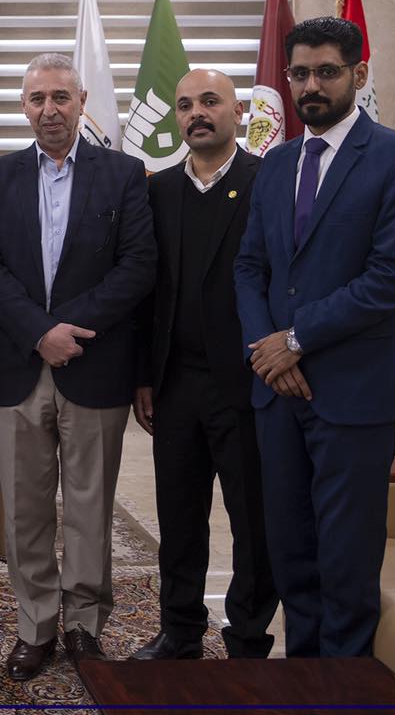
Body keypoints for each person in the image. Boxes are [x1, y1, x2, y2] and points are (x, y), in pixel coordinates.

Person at [234, 17, 395, 658]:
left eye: (327, 72)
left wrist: (294, 340)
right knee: (291, 551)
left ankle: (346, 688)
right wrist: (267, 350)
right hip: (278, 393)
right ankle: (303, 678)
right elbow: (250, 268)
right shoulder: (276, 164)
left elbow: (393, 277)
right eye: (300, 73)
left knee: (346, 560)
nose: (311, 86)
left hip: (354, 392)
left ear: (359, 74)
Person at [0, 52, 155, 680]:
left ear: (82, 103)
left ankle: (84, 625)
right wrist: (38, 331)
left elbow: (138, 266)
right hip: (17, 366)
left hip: (94, 363)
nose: (49, 109)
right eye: (37, 98)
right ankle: (36, 625)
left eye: (60, 97)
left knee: (88, 506)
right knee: (24, 507)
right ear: (24, 107)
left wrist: (65, 329)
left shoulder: (124, 175)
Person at [130, 69, 277, 661]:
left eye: (210, 102)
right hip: (175, 384)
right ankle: (180, 629)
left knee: (252, 520)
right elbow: (147, 290)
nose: (197, 113)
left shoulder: (267, 182)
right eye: (186, 105)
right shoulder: (158, 190)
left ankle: (247, 637)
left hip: (247, 381)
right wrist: (144, 375)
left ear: (238, 112)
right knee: (179, 517)